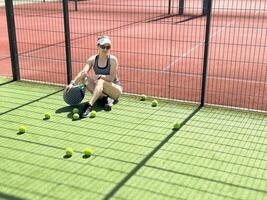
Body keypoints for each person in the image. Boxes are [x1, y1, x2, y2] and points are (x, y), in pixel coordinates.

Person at [65, 36, 122, 118]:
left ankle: (89, 105)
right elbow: (83, 72)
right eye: (103, 46)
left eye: (108, 47)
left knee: (100, 81)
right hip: (100, 89)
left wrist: (100, 76)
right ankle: (105, 99)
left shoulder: (113, 60)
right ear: (98, 46)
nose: (106, 49)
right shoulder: (92, 59)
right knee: (84, 79)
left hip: (114, 90)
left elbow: (111, 78)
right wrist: (73, 83)